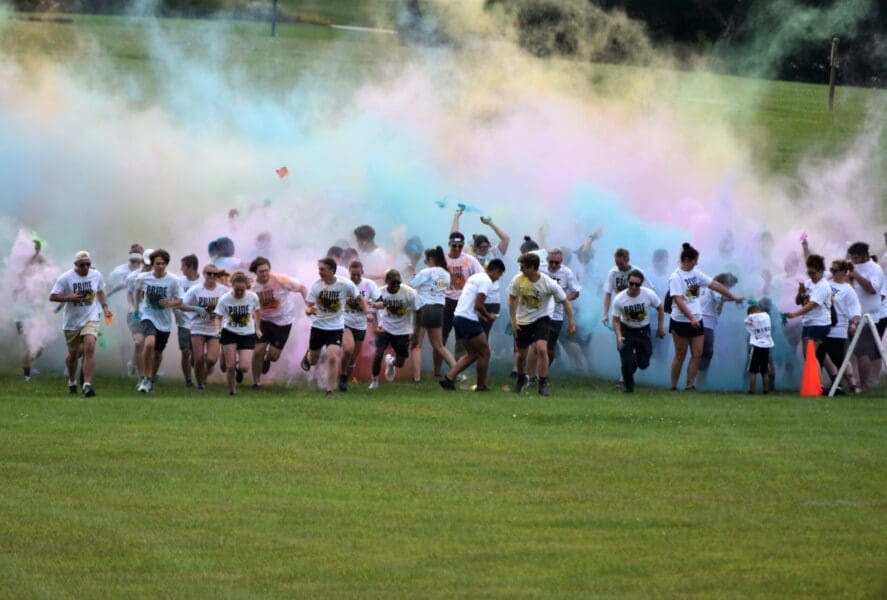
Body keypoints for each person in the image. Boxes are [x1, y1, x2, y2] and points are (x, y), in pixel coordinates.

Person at [668, 242, 744, 391]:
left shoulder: (696, 273)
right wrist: (691, 318)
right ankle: (673, 386)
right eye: (695, 260)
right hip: (681, 320)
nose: (697, 263)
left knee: (697, 354)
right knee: (680, 355)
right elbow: (678, 300)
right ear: (687, 260)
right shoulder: (675, 277)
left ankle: (690, 385)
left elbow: (715, 284)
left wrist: (732, 296)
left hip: (698, 319)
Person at [508, 252, 576, 396]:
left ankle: (543, 384)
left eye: (523, 267)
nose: (521, 270)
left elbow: (565, 302)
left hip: (542, 318)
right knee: (521, 356)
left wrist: (571, 323)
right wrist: (514, 322)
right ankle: (521, 378)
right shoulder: (517, 280)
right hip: (523, 320)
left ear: (533, 268)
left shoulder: (548, 283)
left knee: (542, 349)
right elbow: (512, 300)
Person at [49, 250, 112, 397]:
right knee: (73, 355)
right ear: (75, 264)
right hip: (72, 321)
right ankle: (72, 382)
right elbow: (52, 296)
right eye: (82, 265)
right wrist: (69, 298)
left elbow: (100, 291)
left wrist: (105, 307)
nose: (85, 267)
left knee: (89, 346)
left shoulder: (96, 275)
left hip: (91, 317)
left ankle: (87, 385)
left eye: (88, 264)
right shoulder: (66, 277)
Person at [439, 259, 506, 391]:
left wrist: (480, 314)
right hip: (468, 319)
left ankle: (449, 379)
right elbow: (478, 305)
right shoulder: (486, 280)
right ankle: (481, 387)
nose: (498, 278)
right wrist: (488, 316)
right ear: (496, 270)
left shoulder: (475, 277)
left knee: (474, 354)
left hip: (458, 317)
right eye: (499, 275)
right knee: (485, 353)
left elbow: (470, 302)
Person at [302, 257, 362, 396]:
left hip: (335, 327)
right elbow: (308, 306)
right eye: (319, 269)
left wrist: (366, 309)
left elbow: (358, 297)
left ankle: (329, 390)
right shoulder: (316, 286)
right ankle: (308, 356)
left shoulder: (345, 284)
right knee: (313, 360)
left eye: (322, 269)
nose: (319, 272)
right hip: (318, 326)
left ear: (332, 270)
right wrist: (309, 311)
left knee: (333, 357)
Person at [249, 257, 306, 388]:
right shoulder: (252, 287)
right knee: (258, 351)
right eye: (261, 271)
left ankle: (267, 359)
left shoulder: (281, 280)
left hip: (283, 321)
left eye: (266, 270)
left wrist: (308, 304)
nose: (264, 274)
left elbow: (302, 288)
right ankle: (256, 382)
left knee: (274, 356)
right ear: (255, 272)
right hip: (263, 320)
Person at [134, 249, 183, 394]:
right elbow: (137, 292)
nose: (160, 266)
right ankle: (144, 378)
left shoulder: (174, 280)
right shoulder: (143, 278)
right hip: (148, 315)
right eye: (157, 263)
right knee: (149, 343)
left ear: (166, 264)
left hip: (165, 320)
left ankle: (151, 379)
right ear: (152, 264)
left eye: (162, 263)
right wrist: (137, 308)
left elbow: (180, 300)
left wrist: (170, 303)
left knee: (157, 352)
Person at [610, 269, 665, 392]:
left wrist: (660, 328)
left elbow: (660, 308)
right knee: (625, 362)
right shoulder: (620, 298)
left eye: (637, 284)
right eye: (631, 283)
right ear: (627, 282)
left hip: (643, 331)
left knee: (644, 364)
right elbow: (615, 320)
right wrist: (619, 336)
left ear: (642, 284)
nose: (634, 287)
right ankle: (629, 388)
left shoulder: (648, 294)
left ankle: (634, 360)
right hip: (626, 330)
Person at [439, 231, 483, 377]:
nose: (457, 249)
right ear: (449, 244)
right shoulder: (443, 260)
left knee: (461, 340)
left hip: (464, 303)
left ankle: (457, 372)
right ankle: (437, 372)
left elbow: (481, 278)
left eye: (459, 246)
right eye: (454, 246)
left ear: (463, 245)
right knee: (441, 338)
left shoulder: (470, 261)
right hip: (445, 301)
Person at [409, 246, 456, 382]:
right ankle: (457, 370)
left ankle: (416, 378)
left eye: (426, 260)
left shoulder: (427, 271)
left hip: (424, 309)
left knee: (417, 345)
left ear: (431, 259)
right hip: (438, 309)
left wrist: (413, 274)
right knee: (440, 346)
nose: (426, 262)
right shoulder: (446, 274)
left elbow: (412, 285)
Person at [181, 264, 229, 391]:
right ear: (204, 274)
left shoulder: (224, 290)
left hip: (215, 328)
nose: (212, 276)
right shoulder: (196, 289)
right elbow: (182, 305)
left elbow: (232, 304)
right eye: (209, 273)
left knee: (212, 359)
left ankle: (205, 374)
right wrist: (196, 308)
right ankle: (200, 385)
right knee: (198, 359)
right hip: (197, 326)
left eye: (215, 274)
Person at [816, 260, 861, 394]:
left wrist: (853, 323)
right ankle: (834, 385)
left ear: (843, 272)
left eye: (835, 270)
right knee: (822, 357)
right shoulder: (826, 283)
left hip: (838, 329)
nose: (832, 272)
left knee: (839, 358)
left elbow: (856, 310)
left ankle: (852, 385)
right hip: (824, 327)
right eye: (831, 269)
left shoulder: (848, 290)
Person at [369, 269, 419, 388]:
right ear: (386, 282)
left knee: (400, 362)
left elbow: (419, 311)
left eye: (398, 283)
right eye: (393, 283)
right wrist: (376, 327)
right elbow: (372, 312)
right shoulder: (379, 293)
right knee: (378, 353)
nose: (396, 286)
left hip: (403, 330)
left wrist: (416, 332)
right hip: (384, 328)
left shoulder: (409, 293)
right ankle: (375, 381)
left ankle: (391, 362)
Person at [213, 271, 261, 395]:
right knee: (230, 366)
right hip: (229, 332)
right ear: (232, 286)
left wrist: (257, 329)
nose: (239, 293)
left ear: (246, 287)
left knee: (244, 367)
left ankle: (231, 363)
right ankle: (232, 391)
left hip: (247, 334)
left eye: (242, 290)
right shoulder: (225, 299)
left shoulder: (253, 297)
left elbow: (257, 312)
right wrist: (217, 329)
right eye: (237, 290)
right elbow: (218, 317)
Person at [846, 242, 885, 389]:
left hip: (868, 317)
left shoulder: (875, 269)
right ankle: (857, 382)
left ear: (864, 256)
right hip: (852, 316)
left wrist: (856, 275)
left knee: (864, 352)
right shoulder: (850, 266)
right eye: (851, 257)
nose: (853, 260)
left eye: (856, 257)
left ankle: (865, 386)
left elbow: (872, 289)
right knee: (857, 351)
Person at [538, 247, 581, 370]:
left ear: (561, 261)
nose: (553, 265)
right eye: (551, 262)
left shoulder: (566, 273)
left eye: (557, 262)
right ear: (547, 260)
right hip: (539, 314)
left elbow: (576, 292)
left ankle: (543, 372)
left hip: (556, 316)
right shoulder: (540, 269)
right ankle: (534, 375)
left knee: (550, 350)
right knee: (539, 347)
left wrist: (564, 299)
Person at [340, 260, 379, 391]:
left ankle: (344, 380)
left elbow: (381, 302)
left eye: (358, 275)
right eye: (353, 275)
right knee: (348, 349)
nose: (356, 278)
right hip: (345, 321)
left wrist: (370, 308)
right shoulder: (343, 285)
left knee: (353, 357)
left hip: (360, 325)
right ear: (349, 273)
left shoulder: (369, 285)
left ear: (362, 272)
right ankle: (343, 377)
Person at [784, 254, 832, 356]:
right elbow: (798, 302)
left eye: (813, 273)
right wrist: (800, 292)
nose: (811, 276)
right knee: (808, 356)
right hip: (808, 323)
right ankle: (815, 372)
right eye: (809, 273)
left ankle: (814, 372)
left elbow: (812, 305)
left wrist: (794, 314)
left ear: (821, 271)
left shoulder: (823, 286)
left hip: (819, 323)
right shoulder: (808, 283)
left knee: (809, 355)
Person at [698, 273, 739, 380]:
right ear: (724, 283)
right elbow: (723, 297)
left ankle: (693, 382)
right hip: (706, 324)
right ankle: (699, 382)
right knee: (707, 353)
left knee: (698, 353)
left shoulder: (705, 287)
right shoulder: (715, 288)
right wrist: (736, 298)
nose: (729, 289)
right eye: (729, 286)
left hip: (698, 321)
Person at [125, 250, 153, 388]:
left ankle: (136, 364)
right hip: (136, 313)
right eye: (147, 263)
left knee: (147, 345)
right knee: (138, 343)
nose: (149, 267)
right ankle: (141, 377)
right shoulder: (133, 277)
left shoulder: (158, 277)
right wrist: (132, 307)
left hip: (152, 315)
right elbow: (129, 294)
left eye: (151, 264)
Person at [176, 254, 202, 387]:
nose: (181, 269)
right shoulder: (179, 282)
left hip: (200, 323)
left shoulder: (203, 282)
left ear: (191, 267)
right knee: (185, 351)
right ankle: (188, 381)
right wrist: (177, 315)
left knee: (197, 356)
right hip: (184, 322)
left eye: (183, 266)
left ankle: (199, 370)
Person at [602, 248, 645, 326]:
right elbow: (608, 294)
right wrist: (605, 314)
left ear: (627, 260)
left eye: (621, 263)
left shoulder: (637, 272)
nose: (618, 266)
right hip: (620, 309)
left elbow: (647, 291)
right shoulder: (613, 273)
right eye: (616, 263)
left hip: (635, 308)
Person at [744, 304, 774, 394]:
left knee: (752, 370)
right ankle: (766, 390)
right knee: (765, 371)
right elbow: (760, 313)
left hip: (756, 346)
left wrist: (751, 314)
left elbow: (747, 320)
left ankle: (751, 390)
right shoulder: (767, 317)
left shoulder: (751, 319)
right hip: (766, 346)